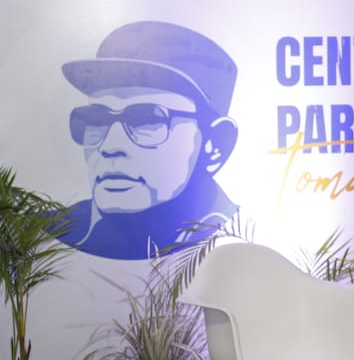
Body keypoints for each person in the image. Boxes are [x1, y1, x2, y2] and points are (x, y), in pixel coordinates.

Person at [59, 20, 240, 260]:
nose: (110, 146)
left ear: (214, 145)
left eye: (146, 119)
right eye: (96, 119)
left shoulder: (236, 244)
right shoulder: (49, 234)